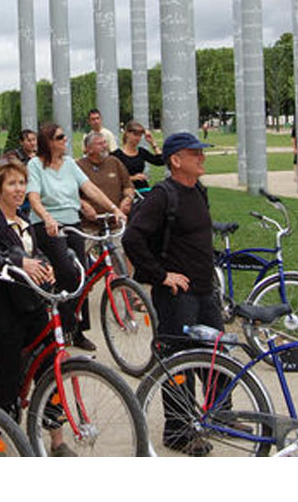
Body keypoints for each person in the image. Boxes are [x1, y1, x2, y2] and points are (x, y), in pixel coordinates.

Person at [0, 157, 76, 456]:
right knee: (6, 381)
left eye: (22, 183)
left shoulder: (23, 219)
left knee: (49, 372)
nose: (18, 189)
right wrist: (16, 262)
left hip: (33, 305)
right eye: (12, 183)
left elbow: (35, 253)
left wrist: (47, 266)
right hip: (5, 311)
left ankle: (57, 439)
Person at [121, 131, 219, 456]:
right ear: (176, 161)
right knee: (179, 365)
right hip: (178, 298)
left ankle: (219, 416)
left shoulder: (198, 191)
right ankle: (178, 431)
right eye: (195, 154)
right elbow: (132, 238)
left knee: (215, 357)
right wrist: (162, 275)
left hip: (206, 291)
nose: (201, 158)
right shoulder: (162, 196)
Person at [26, 123, 124, 351]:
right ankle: (62, 322)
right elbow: (33, 197)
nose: (65, 140)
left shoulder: (70, 164)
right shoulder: (35, 165)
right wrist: (47, 217)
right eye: (60, 137)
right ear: (49, 142)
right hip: (47, 225)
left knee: (82, 276)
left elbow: (89, 189)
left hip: (73, 222)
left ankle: (77, 330)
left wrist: (113, 208)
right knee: (68, 271)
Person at [76, 131, 135, 227]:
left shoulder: (114, 162)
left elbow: (128, 186)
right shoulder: (79, 166)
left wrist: (128, 199)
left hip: (116, 222)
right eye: (100, 144)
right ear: (89, 149)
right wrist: (83, 204)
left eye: (105, 142)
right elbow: (71, 194)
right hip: (90, 225)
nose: (105, 146)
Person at [112, 120, 164, 190]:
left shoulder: (141, 152)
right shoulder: (117, 155)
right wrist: (132, 178)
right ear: (127, 134)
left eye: (140, 135)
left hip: (143, 189)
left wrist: (153, 143)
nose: (138, 138)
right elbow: (111, 176)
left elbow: (160, 161)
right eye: (135, 134)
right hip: (126, 191)